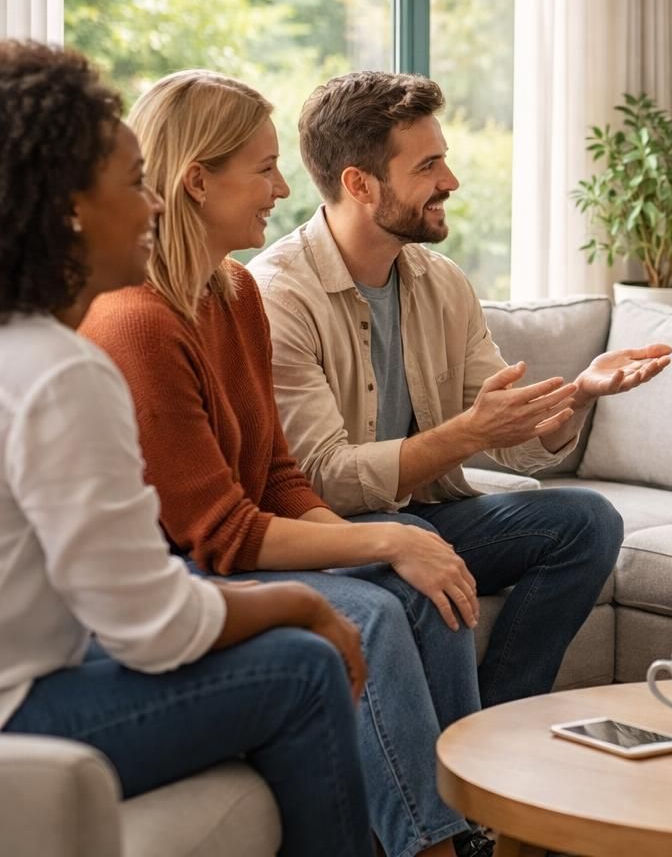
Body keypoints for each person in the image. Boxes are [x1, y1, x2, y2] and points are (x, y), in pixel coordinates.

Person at [80, 70, 488, 857]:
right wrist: (383, 541)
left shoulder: (235, 294)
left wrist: (386, 546)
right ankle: (433, 845)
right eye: (264, 169)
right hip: (188, 568)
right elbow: (218, 534)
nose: (282, 187)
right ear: (198, 180)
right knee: (374, 602)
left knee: (423, 583)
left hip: (243, 547)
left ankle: (470, 821)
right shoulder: (136, 322)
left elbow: (275, 475)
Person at [0, 41, 371, 857]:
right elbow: (153, 629)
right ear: (66, 207)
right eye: (133, 185)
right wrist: (303, 603)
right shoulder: (62, 371)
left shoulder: (28, 351)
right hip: (19, 712)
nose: (155, 206)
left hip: (41, 672)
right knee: (303, 668)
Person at [247, 71, 658, 705]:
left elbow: (513, 445)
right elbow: (320, 478)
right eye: (429, 165)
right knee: (426, 548)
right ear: (359, 183)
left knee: (588, 521)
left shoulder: (441, 282)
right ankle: (457, 777)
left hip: (424, 514)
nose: (450, 182)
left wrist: (577, 394)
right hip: (330, 532)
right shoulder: (278, 297)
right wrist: (468, 432)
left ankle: (497, 727)